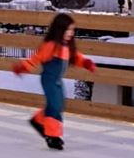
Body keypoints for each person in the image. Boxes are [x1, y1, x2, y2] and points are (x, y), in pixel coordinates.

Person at [13, 10, 96, 149]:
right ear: (60, 29)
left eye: (72, 30)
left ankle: (38, 120)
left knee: (59, 105)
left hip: (57, 80)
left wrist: (86, 63)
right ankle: (52, 136)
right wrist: (23, 67)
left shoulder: (67, 46)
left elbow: (76, 57)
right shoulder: (50, 45)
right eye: (69, 30)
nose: (71, 33)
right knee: (55, 106)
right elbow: (36, 58)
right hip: (49, 79)